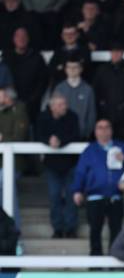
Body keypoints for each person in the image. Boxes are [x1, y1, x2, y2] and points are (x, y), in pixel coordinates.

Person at [72, 119, 124, 256]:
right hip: (95, 197)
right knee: (95, 230)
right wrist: (77, 190)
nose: (104, 131)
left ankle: (115, 260)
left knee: (116, 230)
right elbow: (80, 172)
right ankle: (96, 263)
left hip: (115, 196)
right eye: (100, 128)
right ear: (95, 131)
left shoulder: (121, 147)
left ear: (111, 130)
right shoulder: (89, 150)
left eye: (107, 127)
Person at [36, 92, 80, 238]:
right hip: (52, 166)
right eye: (61, 105)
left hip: (70, 164)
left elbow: (76, 134)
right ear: (52, 106)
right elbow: (38, 134)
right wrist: (49, 140)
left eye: (65, 104)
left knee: (71, 196)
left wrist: (60, 141)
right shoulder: (43, 117)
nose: (64, 107)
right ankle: (57, 228)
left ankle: (71, 228)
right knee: (54, 196)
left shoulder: (72, 116)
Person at [92, 41, 124, 142]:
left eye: (118, 52)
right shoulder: (102, 70)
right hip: (106, 114)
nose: (116, 54)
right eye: (113, 52)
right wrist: (102, 105)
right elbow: (96, 90)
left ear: (123, 53)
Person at [3, 28, 48, 123]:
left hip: (32, 107)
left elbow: (43, 83)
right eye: (18, 36)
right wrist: (9, 99)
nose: (21, 39)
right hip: (9, 104)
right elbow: (3, 80)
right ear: (13, 39)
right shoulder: (7, 58)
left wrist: (31, 101)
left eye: (24, 36)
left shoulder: (37, 58)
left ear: (28, 39)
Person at [0, 87, 28, 233]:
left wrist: (3, 138)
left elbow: (19, 137)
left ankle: (13, 233)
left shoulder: (19, 111)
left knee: (6, 187)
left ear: (8, 97)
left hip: (13, 165)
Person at [54, 57, 97, 140]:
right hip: (62, 137)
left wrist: (87, 133)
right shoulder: (59, 88)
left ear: (81, 69)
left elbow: (92, 114)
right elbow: (55, 112)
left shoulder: (88, 89)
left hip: (82, 136)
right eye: (69, 67)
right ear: (65, 69)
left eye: (75, 67)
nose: (72, 70)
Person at [48, 23, 91, 88]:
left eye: (72, 34)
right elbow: (51, 69)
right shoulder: (58, 50)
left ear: (77, 35)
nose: (69, 36)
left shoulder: (84, 50)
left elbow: (85, 69)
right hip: (60, 87)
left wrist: (61, 66)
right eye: (66, 34)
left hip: (79, 88)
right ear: (62, 36)